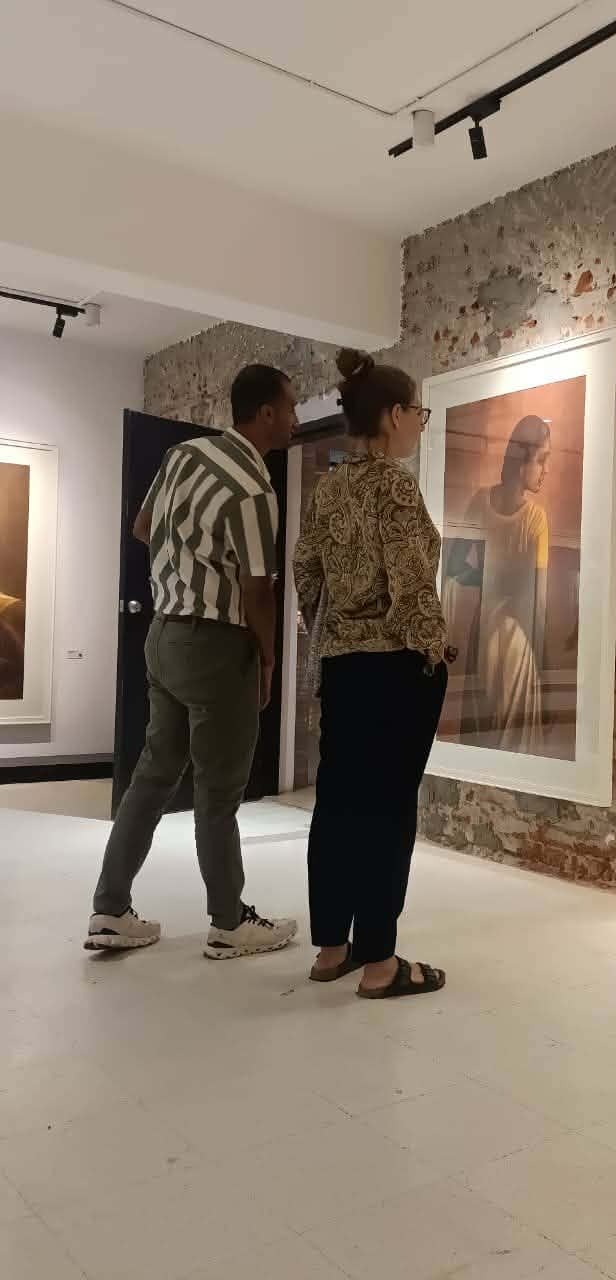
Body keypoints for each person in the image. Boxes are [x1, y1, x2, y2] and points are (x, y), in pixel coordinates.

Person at [85, 365, 300, 959]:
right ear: (265, 414)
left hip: (163, 634)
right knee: (218, 791)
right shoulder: (254, 488)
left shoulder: (182, 455)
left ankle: (110, 909)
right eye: (290, 408)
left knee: (153, 775)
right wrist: (267, 659)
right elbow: (258, 589)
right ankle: (229, 922)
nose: (295, 419)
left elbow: (142, 526)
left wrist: (185, 567)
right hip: (217, 645)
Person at [293, 348, 451, 999]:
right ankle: (382, 963)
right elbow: (411, 580)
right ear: (392, 415)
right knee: (388, 810)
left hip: (343, 665)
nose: (421, 423)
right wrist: (432, 648)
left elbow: (306, 572)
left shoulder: (329, 487)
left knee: (338, 803)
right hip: (395, 668)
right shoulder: (394, 484)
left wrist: (333, 630)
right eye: (419, 412)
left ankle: (333, 948)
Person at [444, 415, 551, 754]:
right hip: (519, 643)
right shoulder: (536, 519)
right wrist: (545, 669)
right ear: (523, 461)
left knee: (484, 737)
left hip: (484, 635)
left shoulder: (480, 501)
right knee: (515, 748)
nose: (545, 470)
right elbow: (539, 603)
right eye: (542, 460)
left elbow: (453, 565)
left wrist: (486, 578)